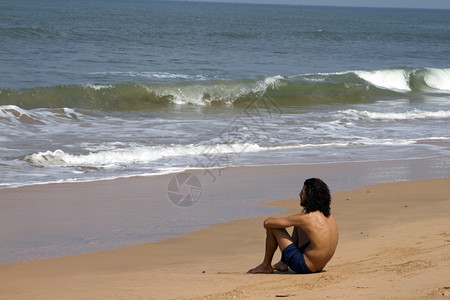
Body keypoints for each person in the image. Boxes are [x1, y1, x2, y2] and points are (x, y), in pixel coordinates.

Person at [248, 178, 338, 274]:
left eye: (302, 193)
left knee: (272, 226)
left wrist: (274, 223)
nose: (299, 195)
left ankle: (266, 266)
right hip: (320, 265)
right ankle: (283, 263)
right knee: (298, 225)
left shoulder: (306, 218)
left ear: (310, 196)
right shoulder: (329, 215)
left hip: (304, 266)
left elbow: (267, 223)